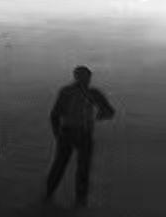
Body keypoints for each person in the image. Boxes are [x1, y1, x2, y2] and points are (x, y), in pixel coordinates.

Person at [45, 65, 115, 207]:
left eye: (86, 77)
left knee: (70, 166)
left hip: (77, 133)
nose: (86, 80)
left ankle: (68, 198)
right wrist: (57, 134)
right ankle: (59, 197)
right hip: (73, 133)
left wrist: (100, 114)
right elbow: (54, 115)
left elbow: (109, 111)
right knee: (68, 166)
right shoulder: (76, 92)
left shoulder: (82, 92)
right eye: (83, 77)